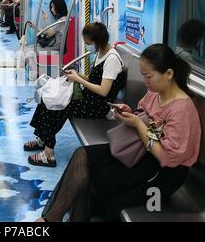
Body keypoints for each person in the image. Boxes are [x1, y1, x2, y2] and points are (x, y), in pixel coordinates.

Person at [37, 44, 201, 222]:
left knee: (97, 182)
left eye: (148, 76)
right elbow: (144, 115)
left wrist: (138, 124)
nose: (145, 81)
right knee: (83, 156)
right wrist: (129, 113)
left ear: (168, 74)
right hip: (139, 152)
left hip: (162, 172)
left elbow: (166, 158)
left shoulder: (182, 110)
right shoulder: (157, 92)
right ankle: (52, 219)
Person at [24, 22, 126, 167]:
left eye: (88, 42)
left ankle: (49, 154)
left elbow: (104, 91)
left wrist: (78, 80)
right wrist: (78, 75)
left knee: (59, 105)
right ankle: (42, 139)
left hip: (99, 106)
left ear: (96, 40)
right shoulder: (101, 52)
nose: (87, 44)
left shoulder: (112, 60)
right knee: (48, 98)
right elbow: (93, 80)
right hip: (89, 97)